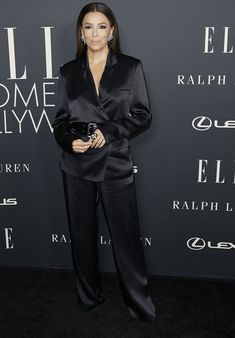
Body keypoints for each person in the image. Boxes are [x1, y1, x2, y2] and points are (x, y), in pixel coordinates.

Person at [53, 2, 156, 323]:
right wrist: (71, 141)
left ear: (112, 31)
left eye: (101, 26)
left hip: (114, 162)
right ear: (80, 33)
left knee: (125, 238)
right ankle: (88, 296)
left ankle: (139, 305)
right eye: (88, 26)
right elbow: (60, 122)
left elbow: (142, 115)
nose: (95, 33)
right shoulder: (69, 71)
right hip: (77, 164)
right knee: (81, 236)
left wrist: (109, 132)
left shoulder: (130, 66)